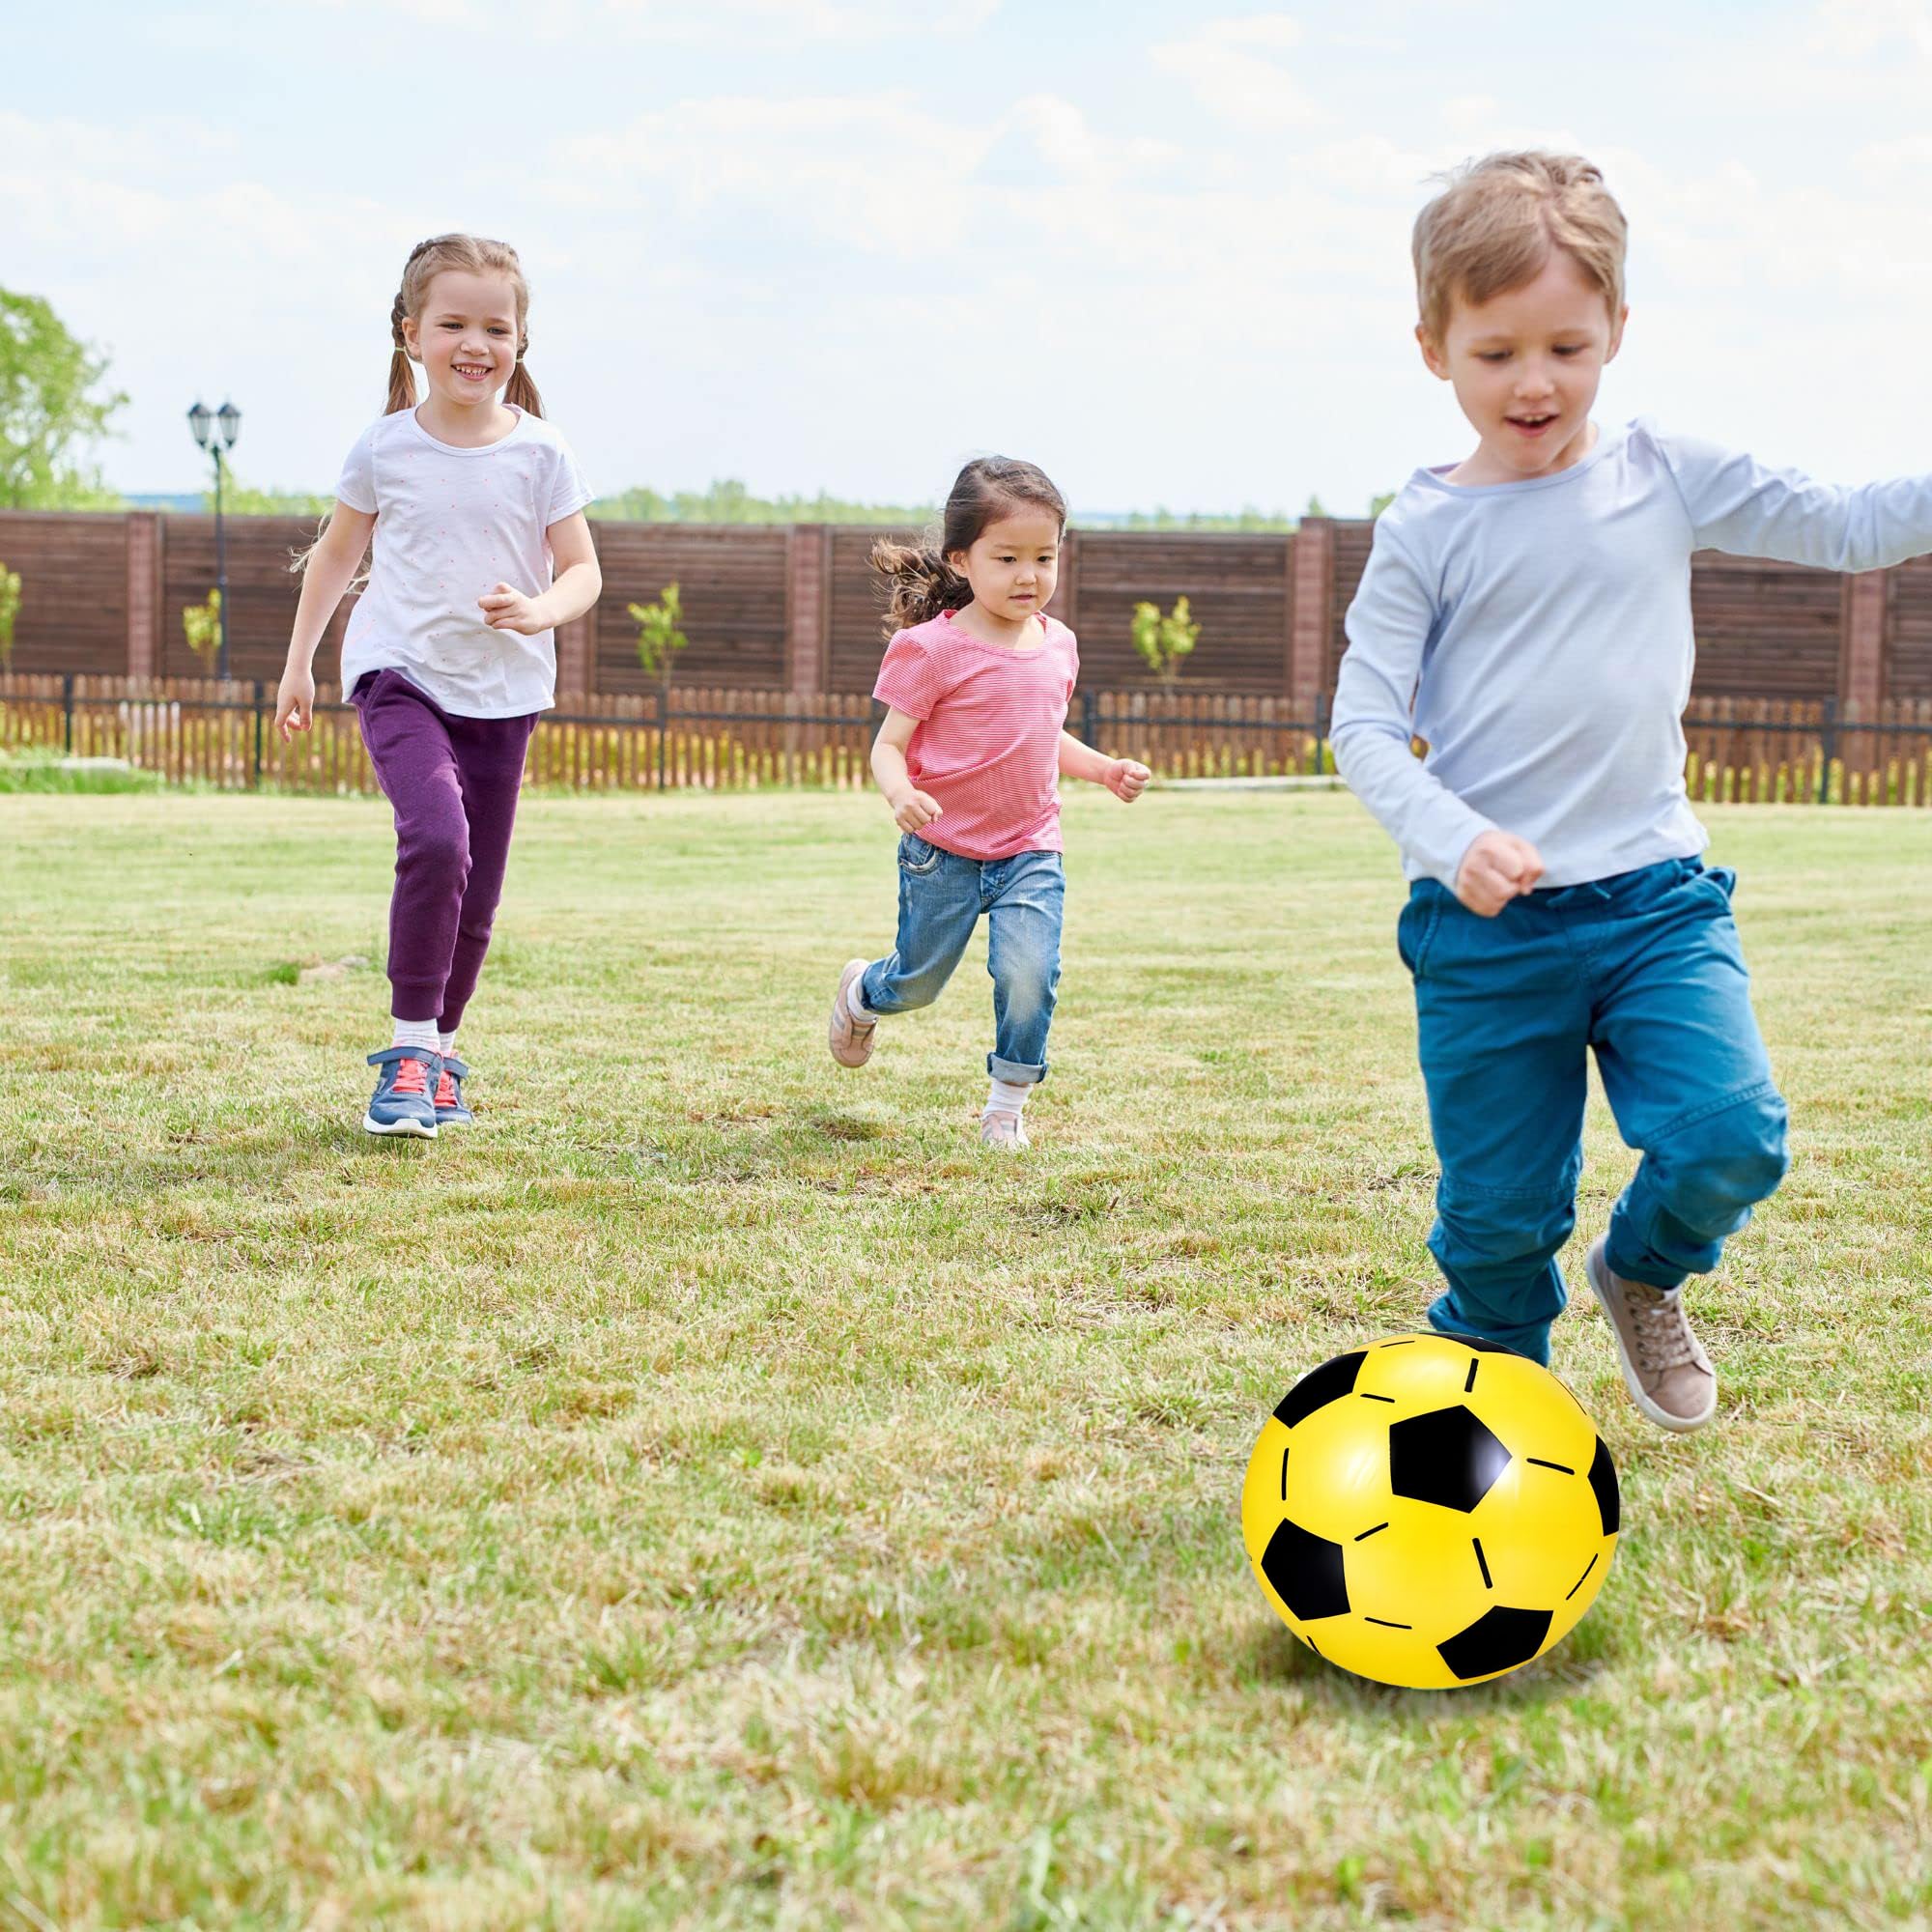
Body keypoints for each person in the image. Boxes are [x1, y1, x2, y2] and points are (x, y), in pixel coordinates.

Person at [1331, 151, 1932, 1430]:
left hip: (1656, 899)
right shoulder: (1425, 529)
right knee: (1497, 1224)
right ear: (1434, 347)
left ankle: (1640, 1271)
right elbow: (1365, 726)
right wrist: (1453, 838)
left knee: (1732, 1131)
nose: (1534, 381)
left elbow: (1854, 525)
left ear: (1617, 331)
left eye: (1567, 344)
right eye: (1496, 352)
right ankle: (1488, 1433)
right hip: (1488, 928)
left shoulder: (1664, 472)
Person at [275, 233, 599, 1139]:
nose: (474, 343)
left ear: (520, 341)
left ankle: (443, 1053)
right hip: (401, 676)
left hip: (504, 693)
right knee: (436, 836)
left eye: (496, 326)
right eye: (453, 322)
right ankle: (408, 1051)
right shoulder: (385, 449)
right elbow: (337, 555)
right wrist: (301, 662)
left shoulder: (543, 453)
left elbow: (583, 571)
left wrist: (542, 610)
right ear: (410, 333)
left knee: (479, 892)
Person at [827, 457, 1151, 1150]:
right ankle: (864, 993)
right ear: (962, 560)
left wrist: (1104, 770)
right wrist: (901, 792)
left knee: (1029, 972)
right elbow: (887, 746)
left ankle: (1006, 1103)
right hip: (942, 854)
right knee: (917, 985)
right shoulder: (931, 650)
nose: (1028, 575)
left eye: (1044, 557)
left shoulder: (1058, 644)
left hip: (1031, 847)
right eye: (1007, 558)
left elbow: (1043, 735)